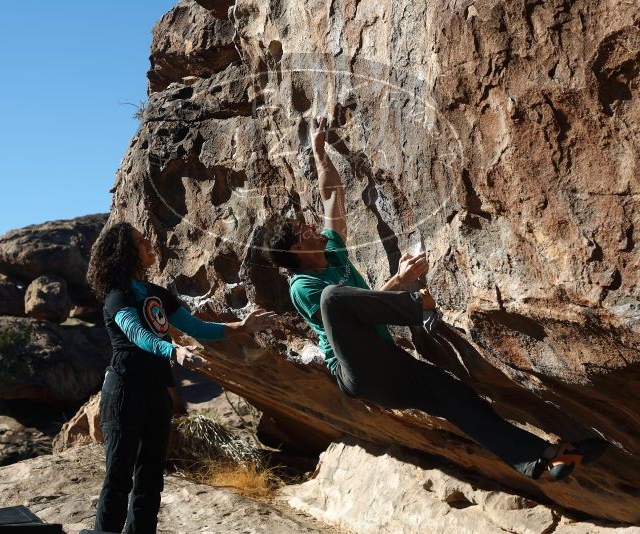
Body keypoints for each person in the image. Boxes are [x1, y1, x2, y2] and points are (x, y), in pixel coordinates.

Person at [264, 116, 607, 481]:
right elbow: (354, 313)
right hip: (357, 370)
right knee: (334, 298)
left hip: (389, 364)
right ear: (298, 249)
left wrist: (319, 150)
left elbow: (332, 194)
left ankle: (544, 459)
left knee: (458, 398)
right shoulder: (303, 285)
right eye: (304, 230)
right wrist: (401, 281)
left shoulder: (331, 250)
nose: (314, 226)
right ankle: (418, 306)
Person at [86, 222, 274, 533]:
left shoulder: (157, 294)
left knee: (150, 478)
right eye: (139, 240)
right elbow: (135, 333)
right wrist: (173, 351)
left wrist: (242, 326)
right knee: (119, 477)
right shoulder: (117, 296)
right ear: (124, 251)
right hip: (124, 391)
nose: (149, 243)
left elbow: (197, 327)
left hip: (157, 391)